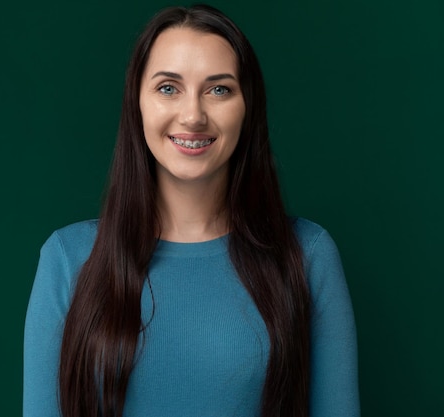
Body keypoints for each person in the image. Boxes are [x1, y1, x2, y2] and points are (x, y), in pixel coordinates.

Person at [23, 4, 359, 417]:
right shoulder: (67, 258)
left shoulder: (308, 255)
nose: (193, 115)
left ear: (247, 107)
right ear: (138, 103)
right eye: (168, 88)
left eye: (219, 89)